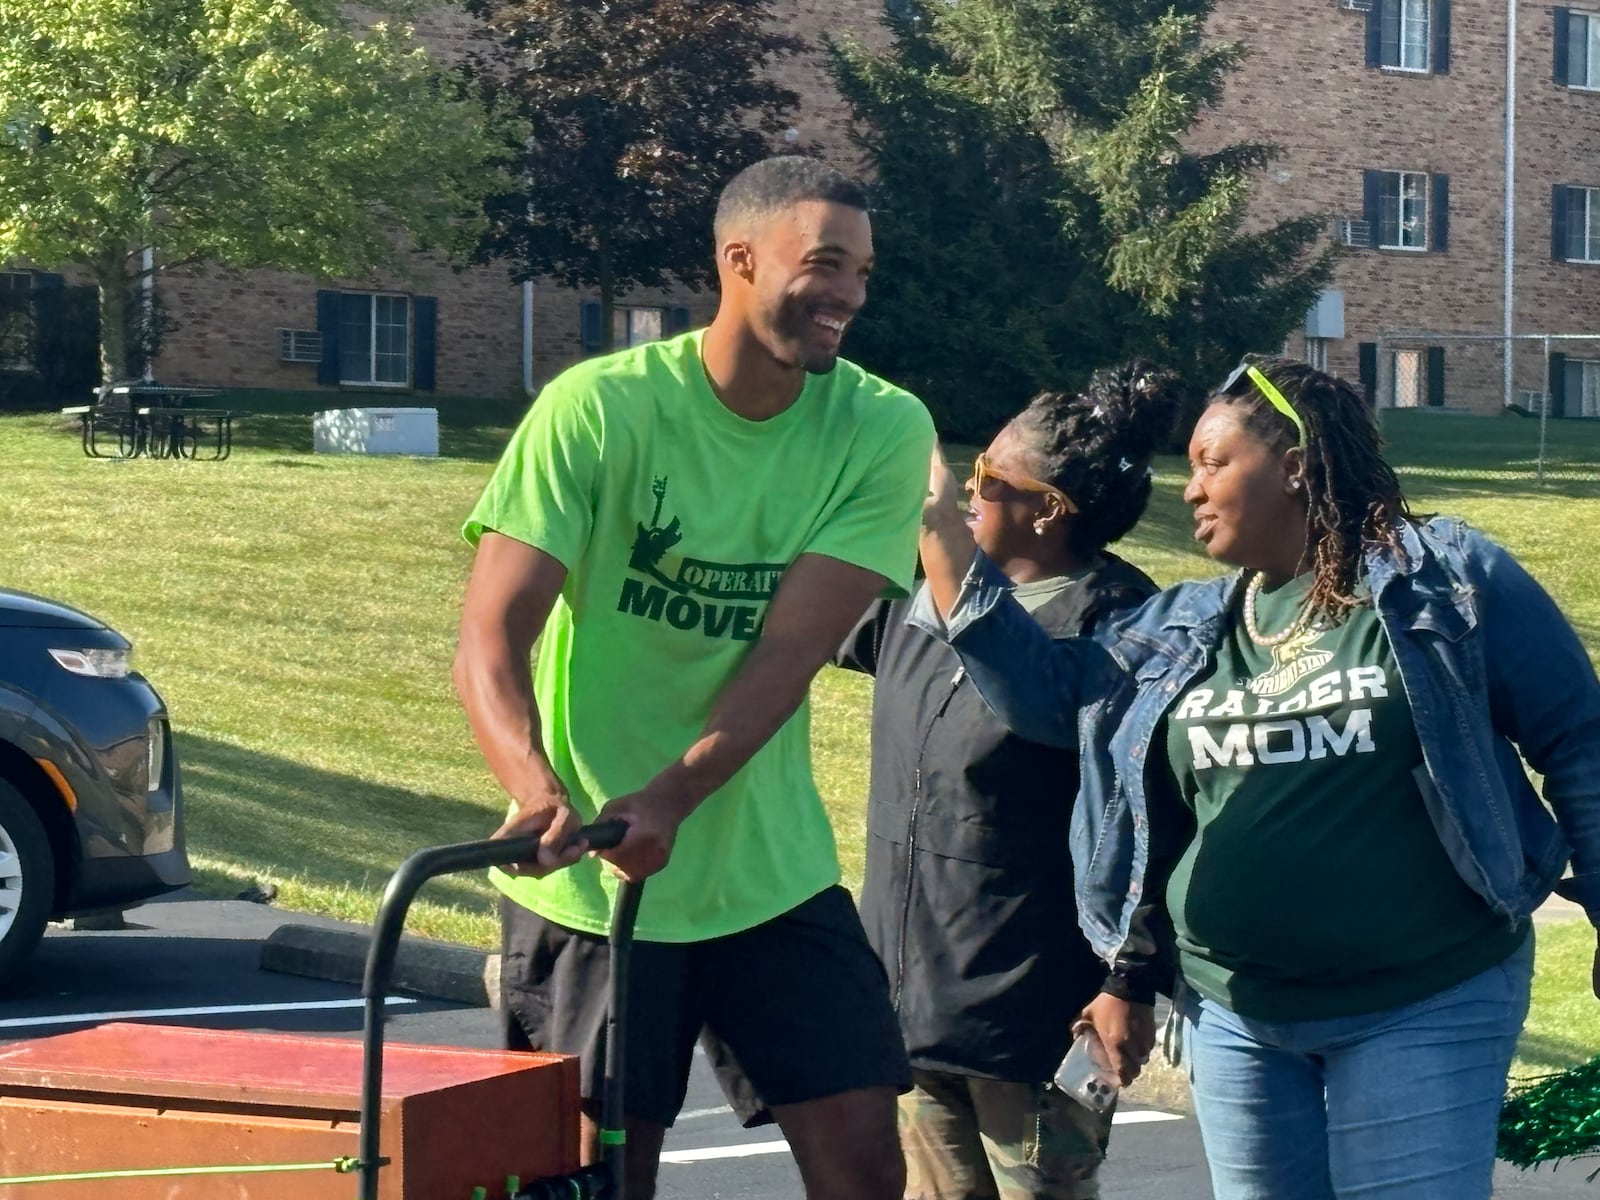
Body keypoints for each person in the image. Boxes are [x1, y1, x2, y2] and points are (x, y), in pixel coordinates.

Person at [914, 357, 1600, 1200]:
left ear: (1296, 463)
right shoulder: (1180, 627)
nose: (1190, 488)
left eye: (1213, 462)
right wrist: (945, 534)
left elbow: (1579, 737)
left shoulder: (1444, 578)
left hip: (1426, 998)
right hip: (1233, 1016)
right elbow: (1050, 701)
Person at [453, 155, 936, 1200]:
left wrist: (672, 795)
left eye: (860, 270)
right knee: (588, 1184)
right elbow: (492, 636)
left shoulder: (880, 426)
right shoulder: (598, 410)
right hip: (586, 886)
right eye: (824, 263)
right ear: (739, 259)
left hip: (768, 874)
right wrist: (538, 790)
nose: (848, 292)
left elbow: (787, 655)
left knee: (863, 1162)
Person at [836, 364, 1179, 1200]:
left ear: (1050, 511)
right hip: (910, 1007)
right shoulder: (919, 600)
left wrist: (1129, 980)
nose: (967, 497)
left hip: (1034, 1020)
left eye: (988, 481)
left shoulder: (1122, 626)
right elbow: (795, 613)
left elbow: (1148, 818)